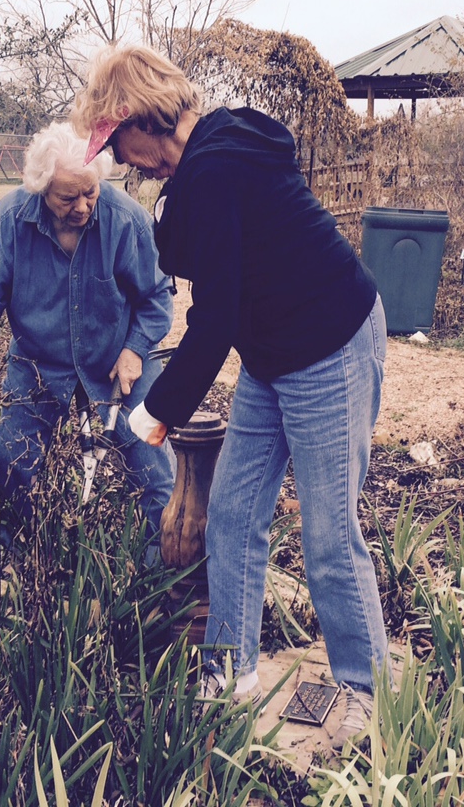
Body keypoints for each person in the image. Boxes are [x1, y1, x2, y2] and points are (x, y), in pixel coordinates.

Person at [71, 43, 390, 748]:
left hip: (331, 345)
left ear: (142, 119)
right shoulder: (209, 157)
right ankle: (229, 672)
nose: (122, 162)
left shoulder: (215, 166)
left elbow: (211, 318)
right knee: (232, 514)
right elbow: (209, 268)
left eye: (118, 145)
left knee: (329, 536)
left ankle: (368, 696)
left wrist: (153, 416)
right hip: (273, 351)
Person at [0, 122, 176, 546]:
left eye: (90, 192)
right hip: (39, 360)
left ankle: (164, 573)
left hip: (117, 359)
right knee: (11, 460)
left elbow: (158, 294)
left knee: (154, 466)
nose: (83, 205)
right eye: (68, 197)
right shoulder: (9, 222)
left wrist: (136, 349)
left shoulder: (125, 218)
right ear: (41, 189)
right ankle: (19, 565)